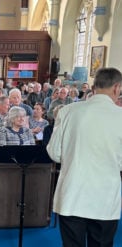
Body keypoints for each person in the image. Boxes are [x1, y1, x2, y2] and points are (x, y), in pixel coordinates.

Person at [46, 68, 122, 247]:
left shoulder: (68, 111)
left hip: (73, 193)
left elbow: (54, 153)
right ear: (117, 87)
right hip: (105, 196)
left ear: (94, 87)